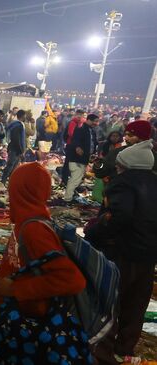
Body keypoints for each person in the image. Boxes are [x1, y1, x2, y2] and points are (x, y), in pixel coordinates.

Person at [0, 162, 87, 363]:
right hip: (19, 319)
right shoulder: (24, 222)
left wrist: (16, 289)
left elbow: (72, 280)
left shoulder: (34, 230)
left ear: (21, 191)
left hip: (31, 326)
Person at [88, 140, 157, 364]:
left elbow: (119, 217)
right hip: (148, 255)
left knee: (111, 302)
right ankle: (124, 348)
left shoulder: (123, 183)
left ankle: (103, 352)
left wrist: (94, 232)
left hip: (122, 252)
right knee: (136, 304)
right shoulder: (154, 182)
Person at [63, 114, 98, 202]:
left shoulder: (91, 131)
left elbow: (93, 144)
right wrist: (77, 147)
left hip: (84, 159)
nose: (97, 123)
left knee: (77, 179)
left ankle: (70, 196)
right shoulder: (81, 129)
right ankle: (68, 199)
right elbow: (75, 141)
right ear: (89, 120)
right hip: (76, 159)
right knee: (75, 179)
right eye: (95, 121)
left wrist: (92, 154)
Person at [1, 109, 26, 185]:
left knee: (13, 166)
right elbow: (16, 139)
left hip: (14, 148)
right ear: (23, 116)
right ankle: (3, 182)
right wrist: (21, 150)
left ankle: (9, 182)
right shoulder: (18, 125)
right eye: (25, 116)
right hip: (15, 149)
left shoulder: (15, 124)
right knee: (10, 165)